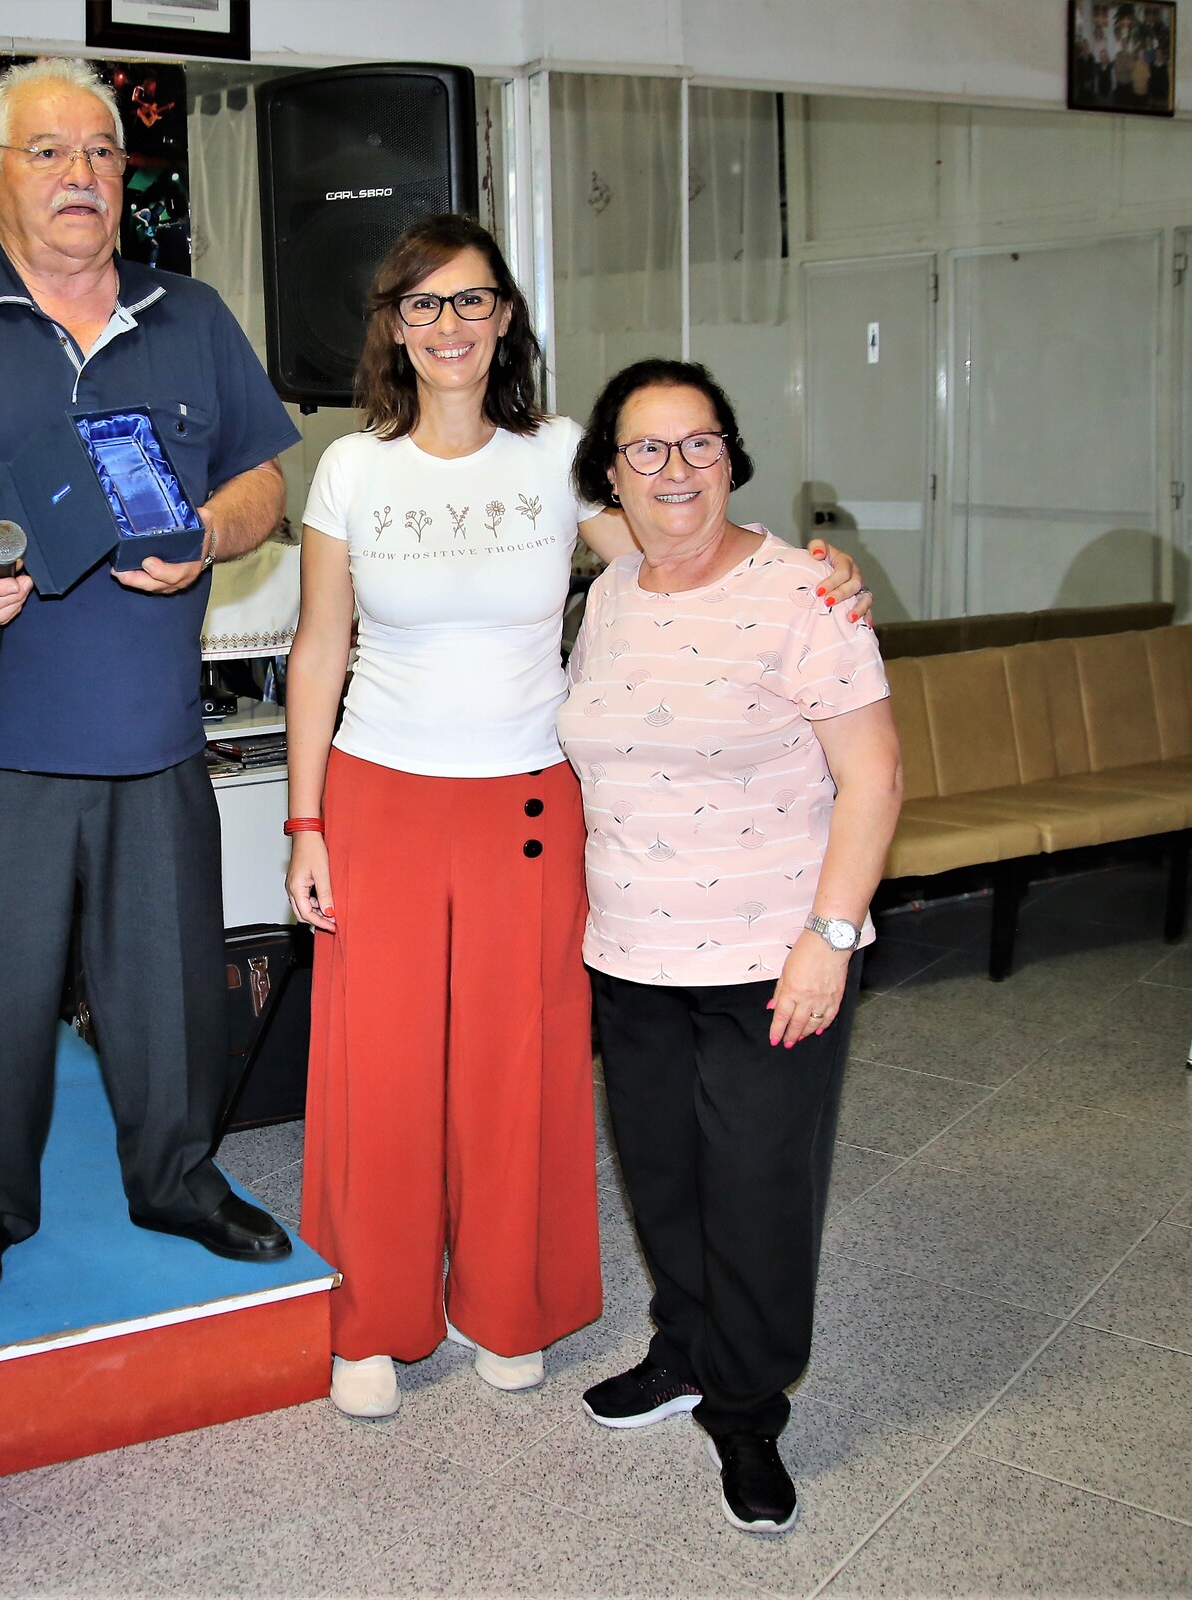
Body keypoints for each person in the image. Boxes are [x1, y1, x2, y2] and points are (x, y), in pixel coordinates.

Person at [285, 217, 870, 1421]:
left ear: (505, 318)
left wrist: (811, 572)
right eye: (424, 303)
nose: (450, 324)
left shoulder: (558, 456)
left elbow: (674, 547)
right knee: (379, 1072)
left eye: (473, 300)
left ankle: (508, 1305)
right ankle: (374, 1317)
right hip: (379, 792)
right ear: (395, 325)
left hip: (531, 800)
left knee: (519, 1064)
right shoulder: (351, 468)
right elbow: (319, 644)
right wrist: (304, 822)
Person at [0, 57, 301, 1304]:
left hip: (155, 737)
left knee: (169, 989)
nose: (80, 174)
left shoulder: (191, 314)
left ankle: (180, 1179)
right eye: (47, 152)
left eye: (100, 151)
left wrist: (210, 532)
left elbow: (265, 476)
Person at [559, 358, 902, 1536]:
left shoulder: (806, 592)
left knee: (755, 1187)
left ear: (731, 457)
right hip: (633, 951)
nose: (676, 469)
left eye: (699, 442)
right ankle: (687, 1348)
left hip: (773, 957)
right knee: (664, 1177)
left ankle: (749, 1405)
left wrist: (830, 937)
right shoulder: (612, 593)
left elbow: (874, 777)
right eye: (647, 449)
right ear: (612, 474)